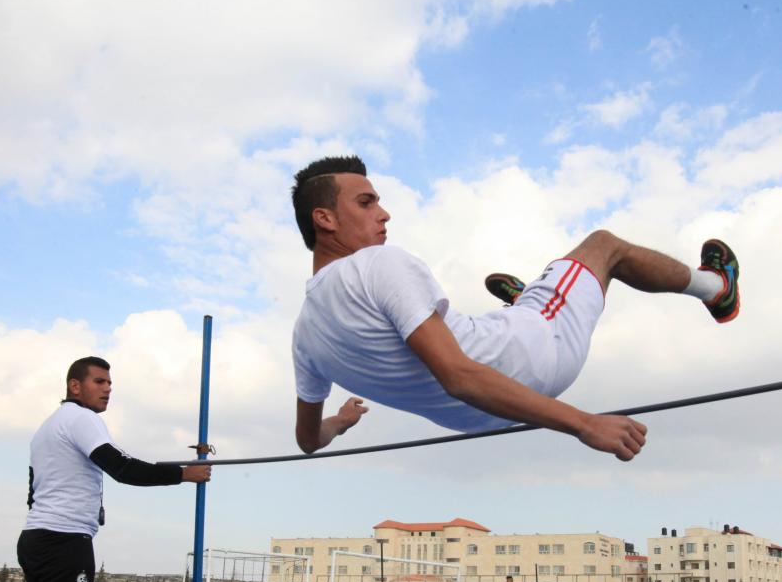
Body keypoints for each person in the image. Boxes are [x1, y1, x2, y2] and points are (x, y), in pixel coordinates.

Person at [289, 156, 741, 460]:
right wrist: (581, 423)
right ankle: (717, 289)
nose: (384, 214)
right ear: (324, 219)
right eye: (367, 202)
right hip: (535, 359)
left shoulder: (304, 336)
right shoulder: (377, 264)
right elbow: (459, 376)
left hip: (484, 418)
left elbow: (308, 441)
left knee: (498, 319)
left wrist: (342, 423)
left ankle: (530, 300)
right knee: (604, 247)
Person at [17, 356, 212, 582]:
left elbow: (32, 494)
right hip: (65, 541)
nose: (107, 389)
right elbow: (123, 468)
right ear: (75, 385)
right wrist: (182, 474)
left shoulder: (45, 428)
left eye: (110, 383)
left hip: (33, 539)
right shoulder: (82, 418)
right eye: (99, 382)